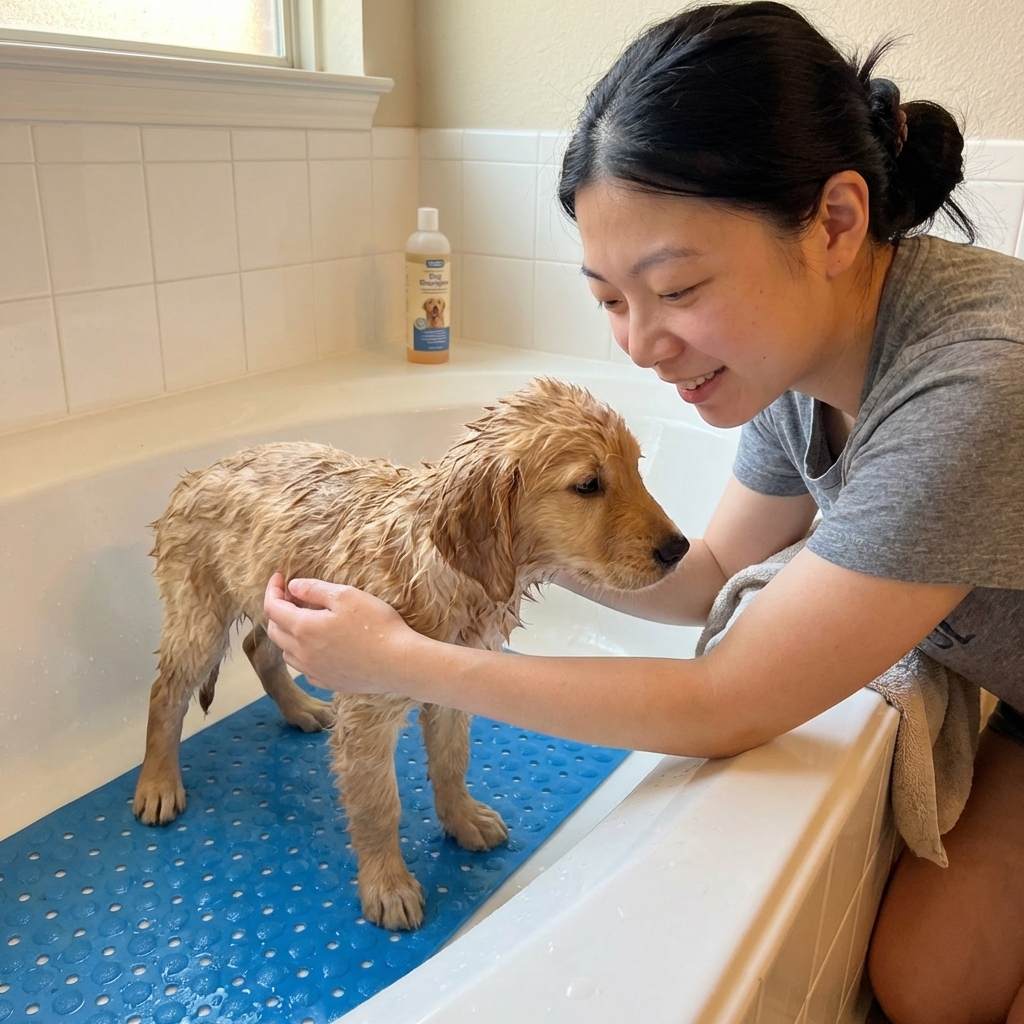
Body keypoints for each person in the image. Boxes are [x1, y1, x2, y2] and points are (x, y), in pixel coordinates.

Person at [264, 4, 1024, 1021]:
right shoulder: (787, 366)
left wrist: (400, 659)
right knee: (927, 989)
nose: (639, 344)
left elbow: (726, 703)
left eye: (674, 287)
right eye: (609, 299)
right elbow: (704, 570)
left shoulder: (975, 385)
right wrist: (514, 538)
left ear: (836, 222)